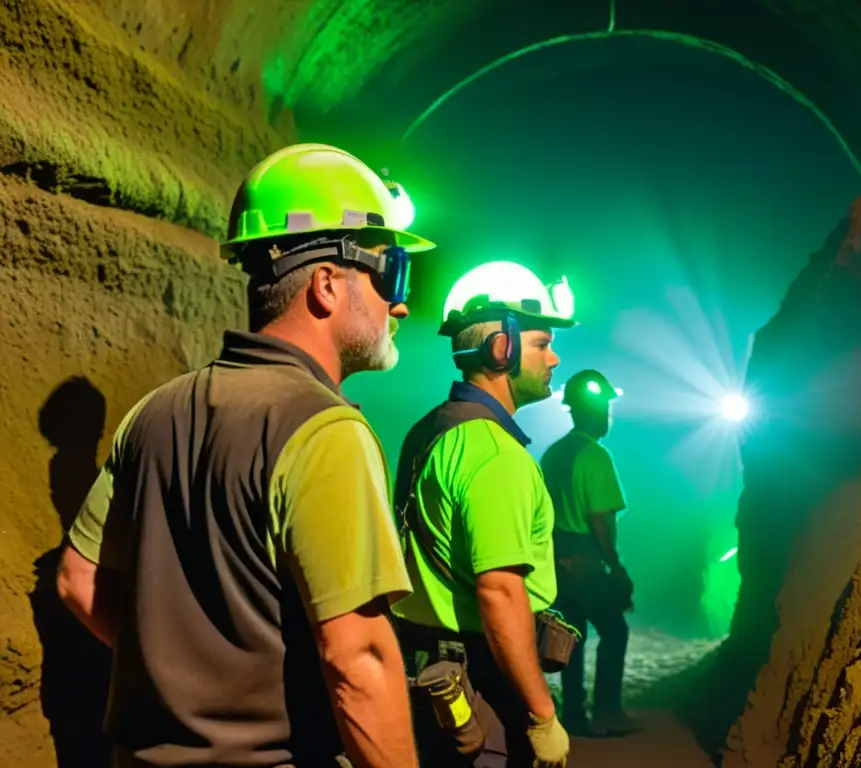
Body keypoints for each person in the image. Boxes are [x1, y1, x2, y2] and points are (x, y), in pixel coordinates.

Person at [55, 143, 433, 768]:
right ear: (327, 284)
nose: (401, 304)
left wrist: (183, 682)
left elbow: (77, 579)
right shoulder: (324, 429)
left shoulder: (153, 412)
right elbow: (358, 659)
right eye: (391, 272)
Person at [391, 290, 576, 767]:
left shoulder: (432, 428)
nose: (554, 357)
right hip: (482, 679)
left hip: (427, 669)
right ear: (502, 349)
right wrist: (541, 716)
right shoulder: (495, 454)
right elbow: (499, 592)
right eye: (541, 344)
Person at [541, 370, 641, 738]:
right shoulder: (595, 455)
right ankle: (607, 712)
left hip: (556, 559)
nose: (607, 417)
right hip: (586, 558)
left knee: (572, 637)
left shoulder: (553, 454)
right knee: (615, 632)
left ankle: (574, 716)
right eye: (605, 410)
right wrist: (614, 565)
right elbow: (600, 518)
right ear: (595, 413)